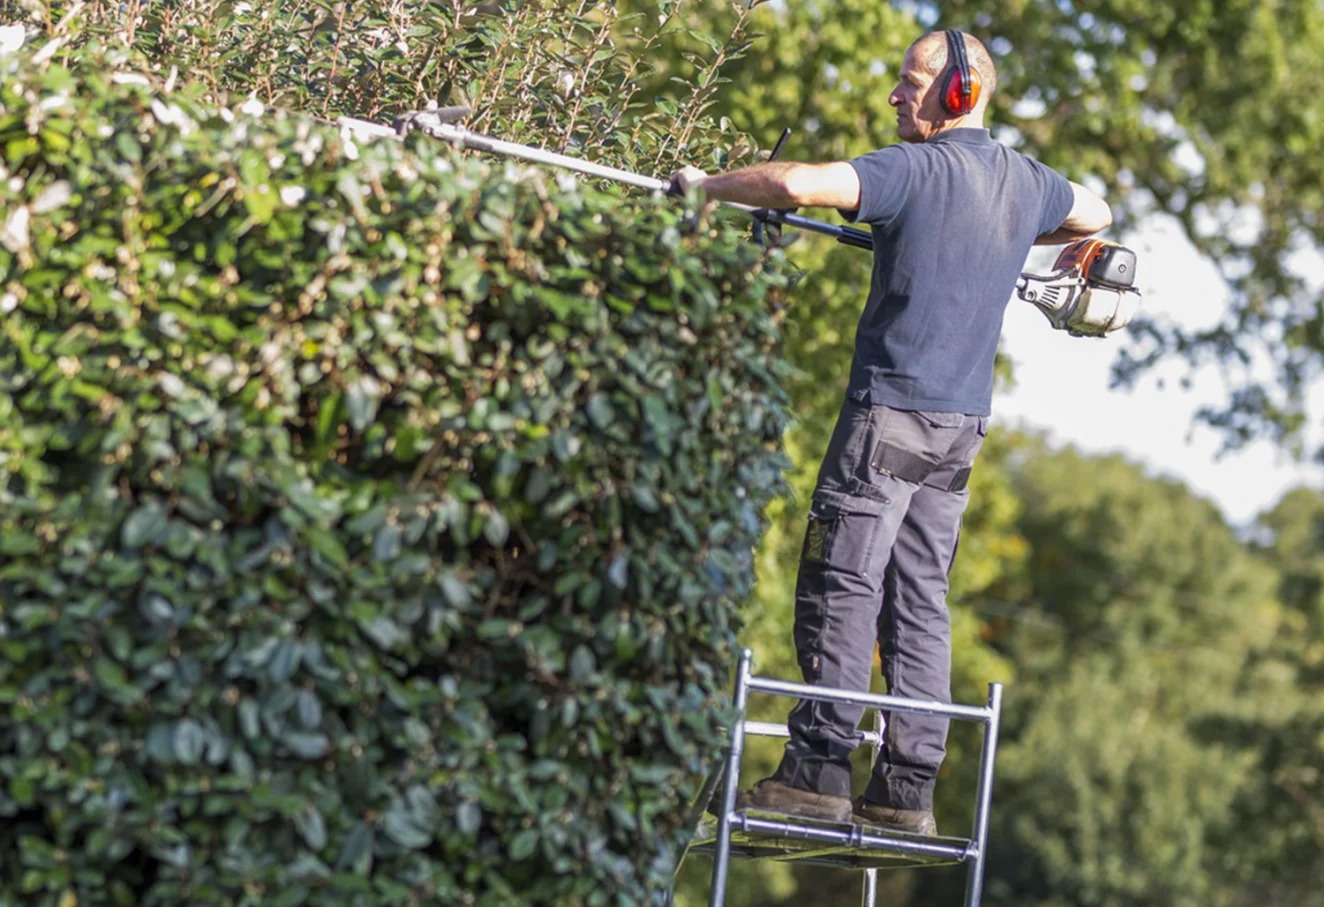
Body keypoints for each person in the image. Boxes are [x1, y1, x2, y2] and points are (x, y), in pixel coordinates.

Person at [672, 29, 1113, 834]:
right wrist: (1014, 235)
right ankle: (905, 789)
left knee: (842, 581)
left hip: (887, 418)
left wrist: (704, 188)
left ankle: (815, 771)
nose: (894, 96)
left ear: (957, 93)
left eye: (911, 82)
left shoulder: (908, 168)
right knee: (920, 597)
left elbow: (795, 183)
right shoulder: (1029, 181)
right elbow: (1100, 211)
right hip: (959, 431)